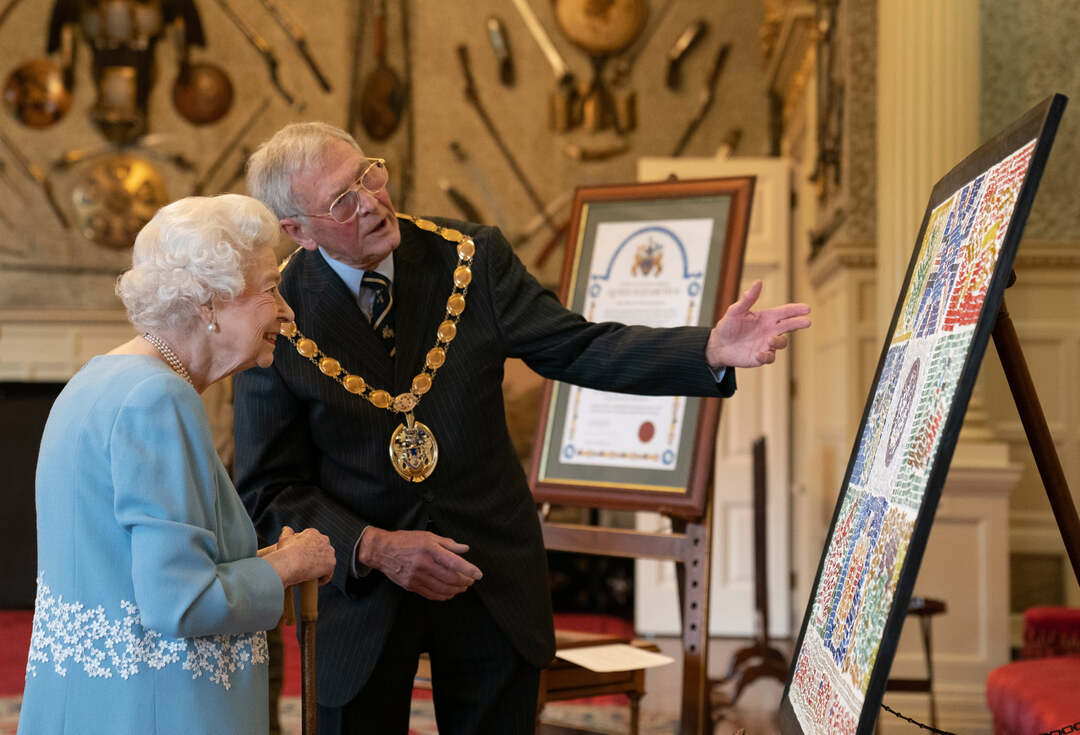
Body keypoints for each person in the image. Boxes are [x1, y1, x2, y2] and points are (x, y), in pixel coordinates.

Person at [235, 122, 811, 734]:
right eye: (342, 200)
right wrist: (372, 546)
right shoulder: (274, 309)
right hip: (363, 587)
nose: (375, 201)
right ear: (297, 230)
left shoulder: (469, 258)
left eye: (368, 174)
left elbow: (580, 346)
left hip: (490, 573)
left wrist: (708, 352)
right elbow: (268, 490)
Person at [18, 195, 337, 735]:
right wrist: (290, 565)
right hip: (160, 711)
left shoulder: (96, 380)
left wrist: (256, 558)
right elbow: (182, 604)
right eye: (270, 289)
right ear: (209, 303)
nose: (286, 310)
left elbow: (126, 568)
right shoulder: (159, 400)